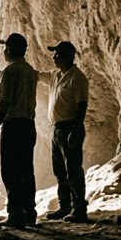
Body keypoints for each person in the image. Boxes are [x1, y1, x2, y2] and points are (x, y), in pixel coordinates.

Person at [0, 33, 38, 229]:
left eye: (5, 47)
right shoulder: (30, 71)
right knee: (26, 170)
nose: (4, 51)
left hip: (13, 126)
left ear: (9, 50)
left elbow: (5, 102)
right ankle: (29, 213)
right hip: (28, 125)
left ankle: (15, 214)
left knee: (10, 171)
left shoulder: (9, 71)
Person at [40, 41, 90, 223]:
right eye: (54, 53)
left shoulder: (77, 78)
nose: (54, 57)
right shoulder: (55, 75)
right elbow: (35, 75)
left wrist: (76, 130)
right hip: (57, 128)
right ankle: (65, 206)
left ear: (70, 56)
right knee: (60, 170)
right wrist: (1, 73)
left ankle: (79, 209)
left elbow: (82, 105)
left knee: (73, 169)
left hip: (70, 127)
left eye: (58, 54)